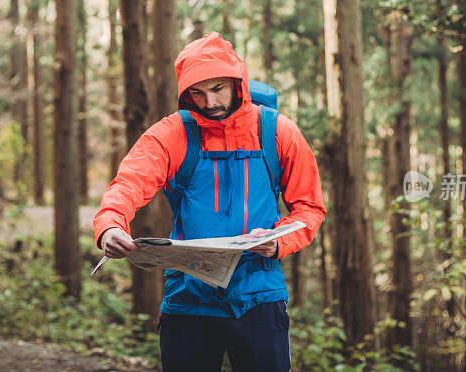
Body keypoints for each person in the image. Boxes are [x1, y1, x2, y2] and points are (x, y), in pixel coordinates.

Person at [93, 31, 326, 371]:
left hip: (259, 294)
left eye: (217, 89)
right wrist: (110, 224)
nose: (209, 102)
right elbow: (129, 181)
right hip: (189, 298)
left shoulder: (279, 132)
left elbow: (309, 207)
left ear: (238, 83)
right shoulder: (172, 133)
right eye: (197, 93)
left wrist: (277, 243)